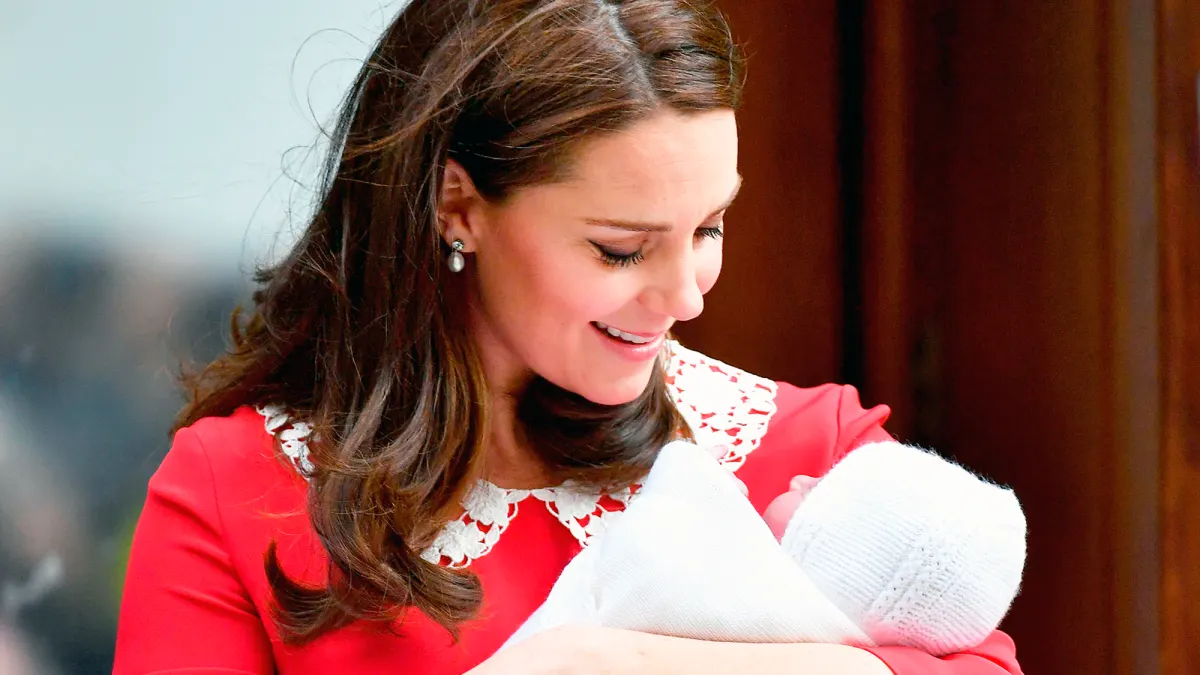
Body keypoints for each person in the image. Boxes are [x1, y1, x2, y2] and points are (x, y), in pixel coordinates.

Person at [113, 1, 1025, 673]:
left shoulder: (812, 458)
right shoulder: (235, 494)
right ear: (458, 207)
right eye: (621, 248)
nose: (686, 297)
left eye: (708, 228)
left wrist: (608, 661)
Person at [501, 439, 1027, 656]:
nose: (799, 478)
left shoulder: (708, 582)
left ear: (840, 554)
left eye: (818, 490)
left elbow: (658, 535)